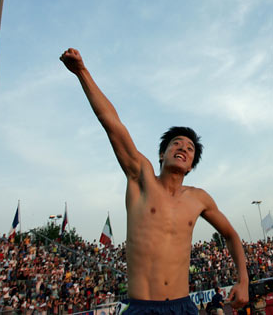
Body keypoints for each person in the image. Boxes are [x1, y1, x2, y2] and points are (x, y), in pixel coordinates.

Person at [60, 48, 249, 315]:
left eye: (190, 148)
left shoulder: (199, 198)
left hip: (183, 307)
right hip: (142, 307)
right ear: (163, 153)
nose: (183, 148)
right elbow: (112, 123)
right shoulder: (141, 177)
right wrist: (82, 72)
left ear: (191, 164)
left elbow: (230, 234)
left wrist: (244, 279)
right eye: (176, 143)